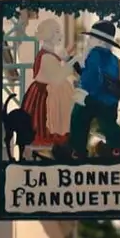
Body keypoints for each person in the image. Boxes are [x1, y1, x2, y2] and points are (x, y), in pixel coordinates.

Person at [67, 20, 120, 157]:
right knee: (108, 124)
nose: (89, 41)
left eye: (91, 38)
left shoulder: (95, 53)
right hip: (110, 101)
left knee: (78, 118)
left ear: (100, 41)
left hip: (95, 98)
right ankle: (118, 148)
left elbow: (91, 77)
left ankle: (78, 151)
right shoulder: (112, 58)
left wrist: (84, 94)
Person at [20, 18, 77, 147]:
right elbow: (57, 78)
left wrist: (64, 56)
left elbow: (56, 61)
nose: (60, 35)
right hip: (45, 97)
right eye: (57, 32)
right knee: (47, 127)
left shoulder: (48, 54)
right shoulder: (46, 57)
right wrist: (72, 62)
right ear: (49, 34)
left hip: (47, 93)